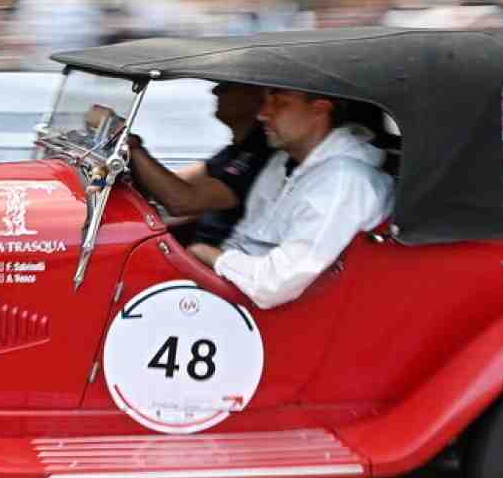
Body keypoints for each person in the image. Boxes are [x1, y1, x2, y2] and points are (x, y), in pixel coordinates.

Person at [190, 88, 393, 310]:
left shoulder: (344, 182)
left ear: (319, 109)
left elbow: (275, 286)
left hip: (305, 315)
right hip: (244, 298)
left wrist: (211, 256)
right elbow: (244, 239)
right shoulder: (282, 163)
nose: (262, 114)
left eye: (279, 103)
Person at [123, 82, 274, 249]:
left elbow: (182, 202)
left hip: (216, 262)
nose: (215, 90)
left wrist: (134, 147)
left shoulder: (262, 155)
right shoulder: (237, 150)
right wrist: (126, 156)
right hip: (197, 252)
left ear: (257, 96)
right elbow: (170, 184)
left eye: (227, 86)